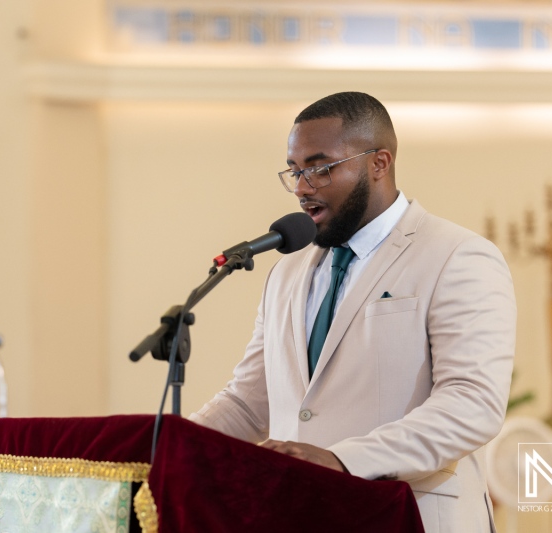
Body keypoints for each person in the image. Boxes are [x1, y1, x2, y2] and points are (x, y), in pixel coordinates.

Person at [189, 92, 516, 533]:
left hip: (408, 514)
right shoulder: (286, 273)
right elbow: (249, 403)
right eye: (295, 170)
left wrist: (342, 459)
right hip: (298, 516)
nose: (303, 187)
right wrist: (171, 449)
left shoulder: (457, 255)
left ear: (379, 163)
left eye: (320, 168)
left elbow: (471, 403)